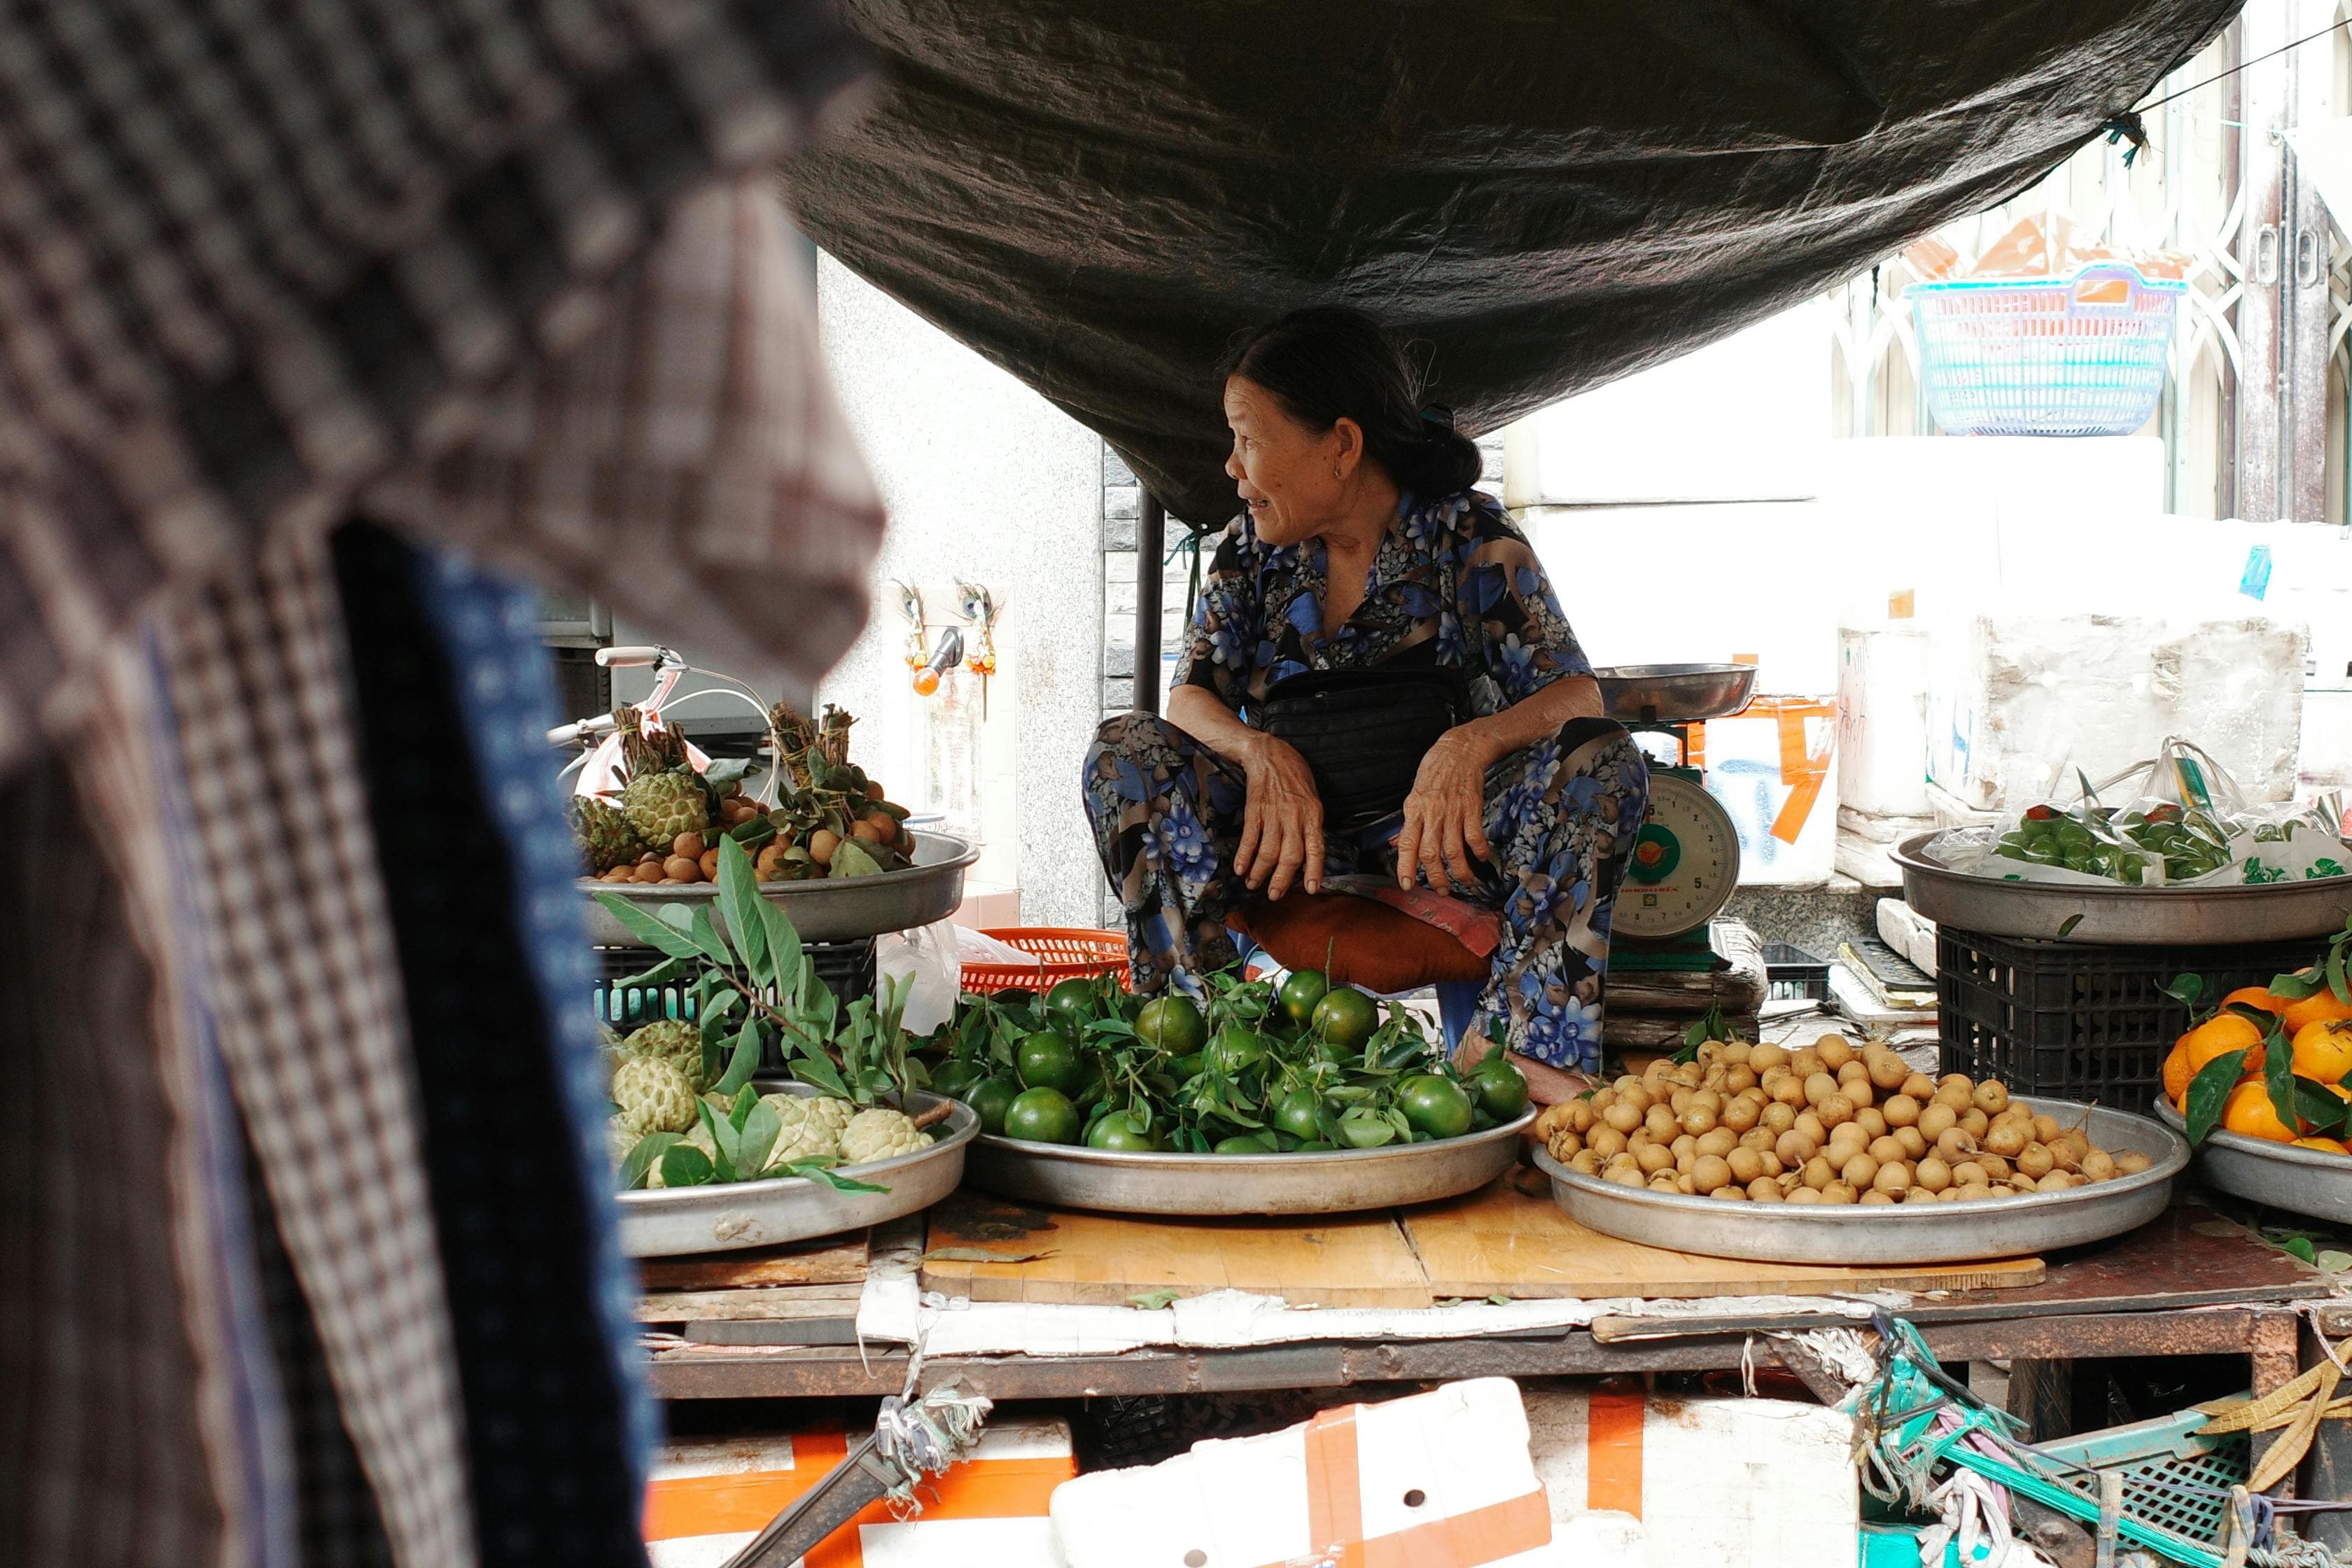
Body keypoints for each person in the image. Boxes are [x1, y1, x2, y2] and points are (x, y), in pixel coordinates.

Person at [1084, 306, 1648, 1088]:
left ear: (1341, 445)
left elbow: (1575, 692)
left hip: (1440, 845)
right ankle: (1198, 1030)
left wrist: (1472, 742)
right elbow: (1188, 703)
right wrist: (1259, 750)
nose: (1232, 466)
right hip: (1282, 850)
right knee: (1125, 752)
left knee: (1602, 761)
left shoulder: (1466, 533)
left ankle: (1518, 1051)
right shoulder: (1251, 551)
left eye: (1249, 438)